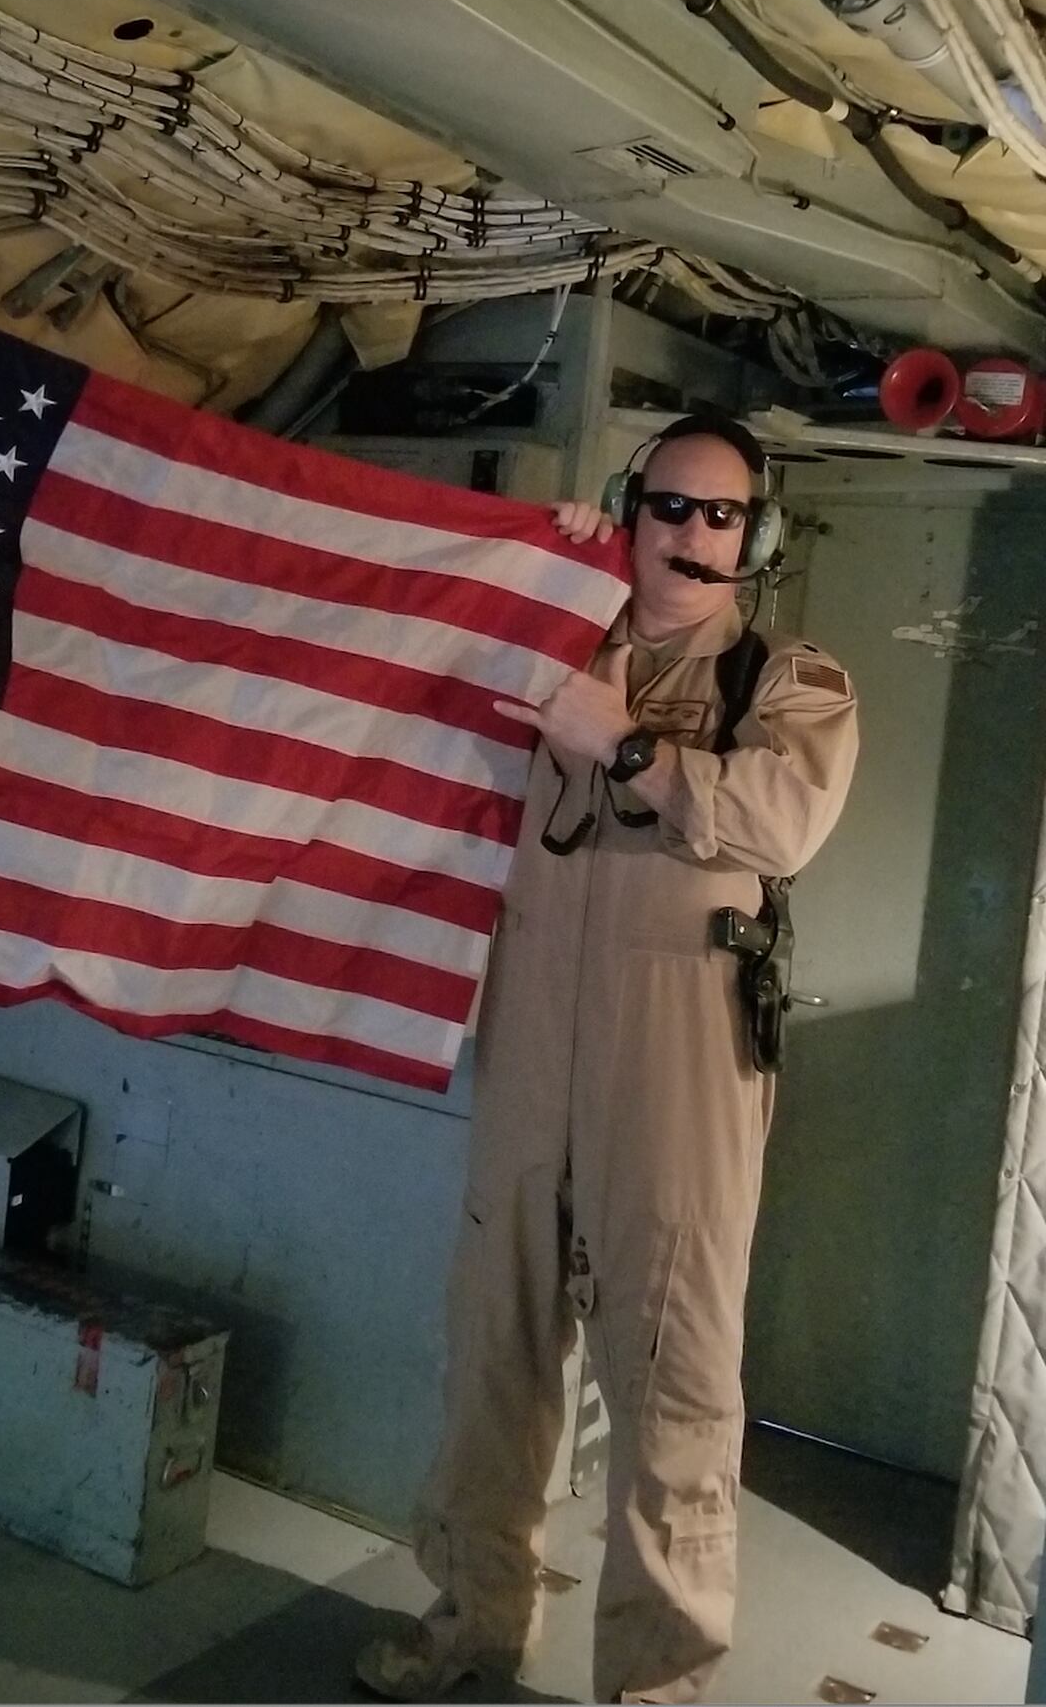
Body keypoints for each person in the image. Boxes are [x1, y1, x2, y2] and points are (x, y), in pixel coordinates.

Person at [356, 418, 859, 1704]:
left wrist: (623, 741)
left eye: (722, 516)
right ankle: (472, 1617)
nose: (693, 537)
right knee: (494, 1362)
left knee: (674, 1397)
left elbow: (779, 818)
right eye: (670, 507)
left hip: (680, 1083)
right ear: (632, 510)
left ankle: (655, 1683)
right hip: (533, 1056)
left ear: (758, 537)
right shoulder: (550, 641)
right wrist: (540, 561)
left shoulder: (784, 681)